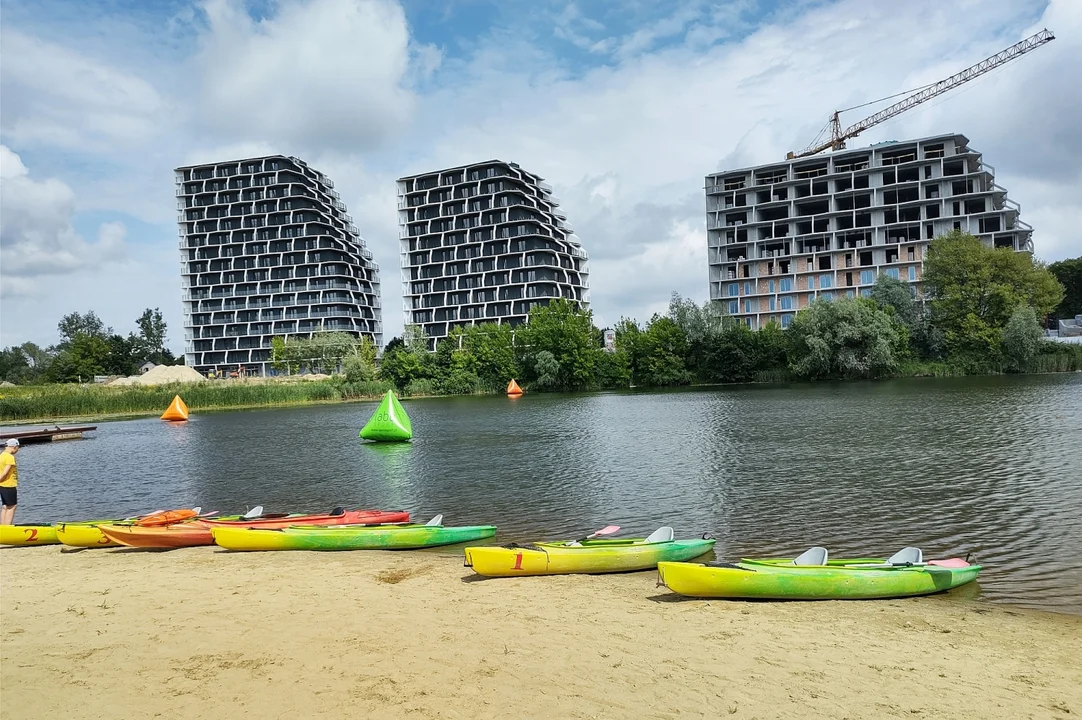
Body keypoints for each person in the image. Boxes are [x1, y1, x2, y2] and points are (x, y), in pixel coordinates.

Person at [0, 438, 20, 525]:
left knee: (5, 506)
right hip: (9, 484)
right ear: (15, 447)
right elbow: (5, 472)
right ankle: (8, 527)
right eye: (18, 448)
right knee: (12, 506)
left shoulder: (1, 455)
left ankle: (2, 527)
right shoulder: (10, 457)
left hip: (2, 485)